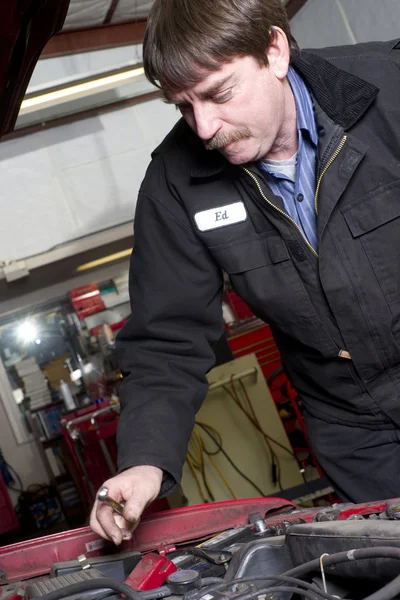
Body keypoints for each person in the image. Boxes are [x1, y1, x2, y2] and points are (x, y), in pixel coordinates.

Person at [90, 0, 400, 544]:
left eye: (219, 93)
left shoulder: (389, 92)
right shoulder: (175, 183)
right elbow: (167, 339)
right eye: (182, 105)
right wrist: (144, 462)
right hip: (356, 433)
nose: (204, 125)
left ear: (274, 51)